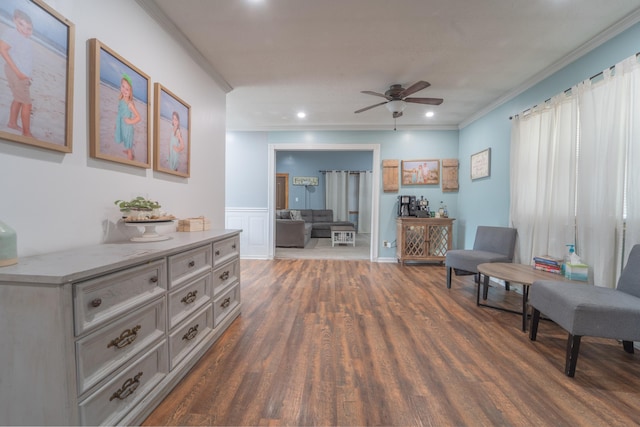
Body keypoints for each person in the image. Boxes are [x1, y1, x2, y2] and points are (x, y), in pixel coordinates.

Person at [0, 9, 34, 137]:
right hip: (16, 74)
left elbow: (23, 59)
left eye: (29, 28)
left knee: (18, 99)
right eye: (21, 25)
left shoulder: (22, 38)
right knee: (27, 103)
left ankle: (12, 123)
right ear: (15, 21)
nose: (25, 30)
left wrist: (27, 75)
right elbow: (2, 50)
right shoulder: (12, 33)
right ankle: (27, 132)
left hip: (21, 74)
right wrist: (19, 73)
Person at [114, 73, 140, 160]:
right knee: (125, 141)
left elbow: (138, 117)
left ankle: (130, 156)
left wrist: (130, 121)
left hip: (128, 128)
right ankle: (129, 151)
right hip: (122, 125)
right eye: (123, 86)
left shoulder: (129, 104)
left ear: (130, 92)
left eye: (127, 89)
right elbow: (120, 113)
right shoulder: (122, 100)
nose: (124, 90)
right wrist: (117, 124)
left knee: (128, 144)